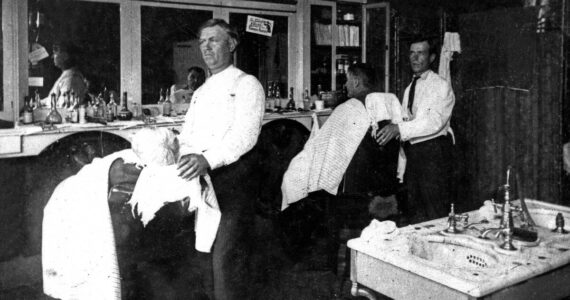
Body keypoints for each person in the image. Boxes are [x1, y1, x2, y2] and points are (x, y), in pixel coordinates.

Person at [176, 19, 265, 300]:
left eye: (213, 40)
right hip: (202, 182)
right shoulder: (201, 91)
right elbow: (187, 134)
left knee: (226, 259)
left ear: (232, 44)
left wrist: (207, 159)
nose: (206, 47)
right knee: (205, 254)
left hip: (233, 181)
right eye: (202, 42)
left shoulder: (246, 84)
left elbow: (245, 136)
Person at [375, 36, 455, 224]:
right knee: (415, 213)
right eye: (412, 53)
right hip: (415, 157)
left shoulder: (441, 86)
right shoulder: (410, 87)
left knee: (436, 213)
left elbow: (434, 122)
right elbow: (405, 124)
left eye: (421, 53)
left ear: (432, 57)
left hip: (434, 155)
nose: (415, 58)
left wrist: (399, 129)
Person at [41, 42, 87, 107]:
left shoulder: (71, 79)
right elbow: (52, 98)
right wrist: (40, 102)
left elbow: (64, 106)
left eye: (55, 53)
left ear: (65, 56)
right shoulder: (67, 74)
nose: (52, 56)